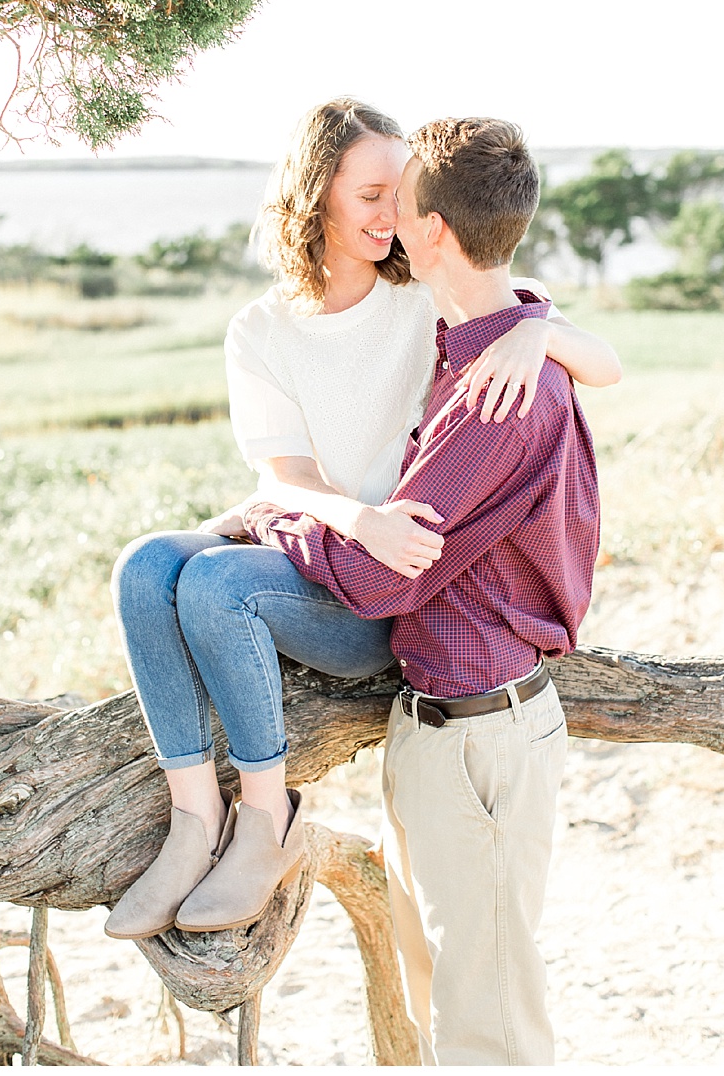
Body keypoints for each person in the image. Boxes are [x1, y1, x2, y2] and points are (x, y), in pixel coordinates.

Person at [104, 99, 618, 943]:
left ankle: (265, 823)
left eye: (403, 195)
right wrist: (359, 519)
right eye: (374, 194)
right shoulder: (261, 329)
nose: (394, 216)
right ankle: (193, 820)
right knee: (144, 566)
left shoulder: (425, 291)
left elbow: (600, 358)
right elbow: (286, 477)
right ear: (319, 194)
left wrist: (537, 338)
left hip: (390, 591)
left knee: (217, 581)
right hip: (332, 544)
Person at [239, 115, 597, 1064]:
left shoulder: (492, 394)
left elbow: (366, 573)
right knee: (445, 996)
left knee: (491, 1026)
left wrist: (274, 514)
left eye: (400, 200)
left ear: (431, 231)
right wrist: (538, 325)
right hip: (437, 725)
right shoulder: (473, 346)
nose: (385, 214)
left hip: (481, 740)